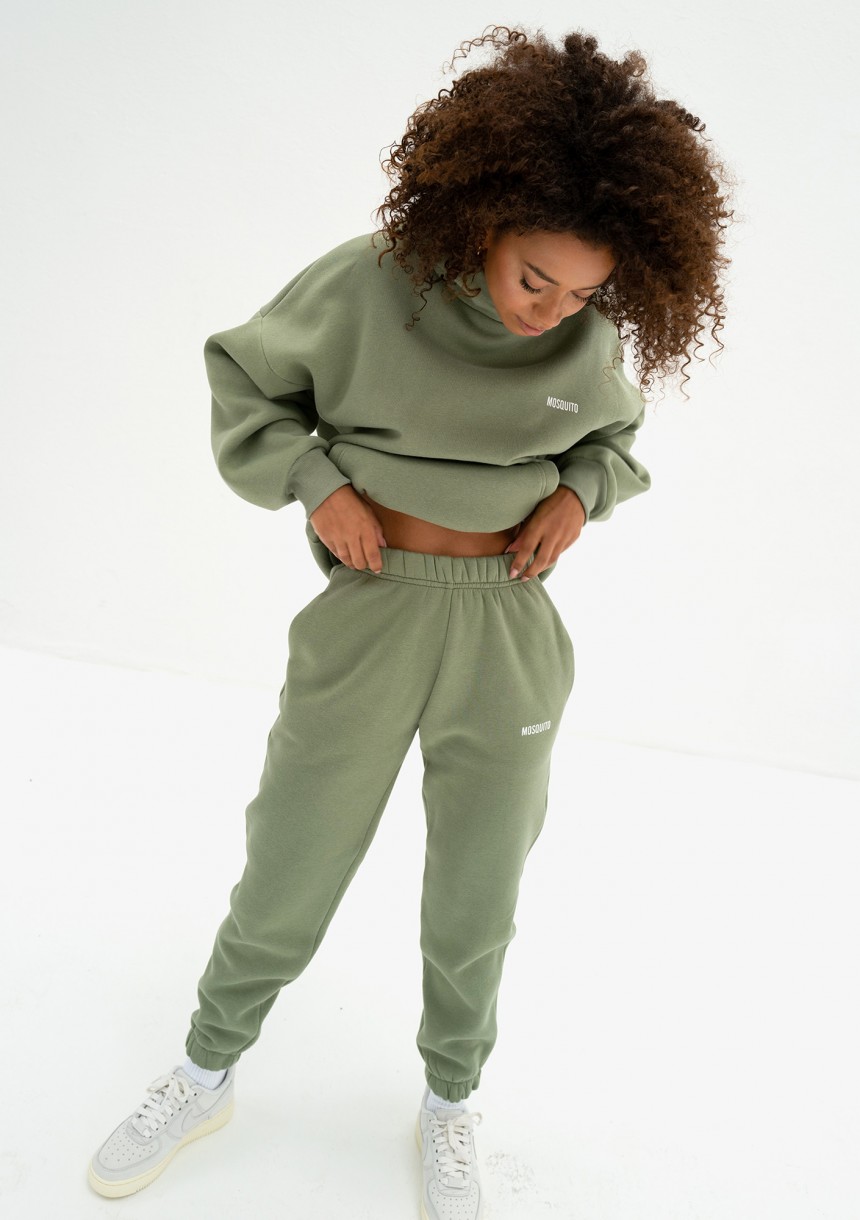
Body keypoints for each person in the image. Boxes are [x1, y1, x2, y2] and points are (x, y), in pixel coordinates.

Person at [88, 26, 732, 1219]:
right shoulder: (369, 286)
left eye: (583, 291)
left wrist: (576, 495)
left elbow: (612, 442)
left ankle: (449, 1098)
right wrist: (315, 482)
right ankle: (205, 1066)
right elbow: (244, 378)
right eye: (533, 278)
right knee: (292, 854)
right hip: (374, 604)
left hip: (507, 629)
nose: (553, 310)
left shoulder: (585, 337)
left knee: (478, 889)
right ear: (483, 216)